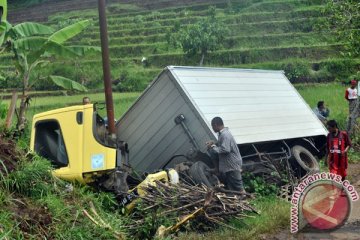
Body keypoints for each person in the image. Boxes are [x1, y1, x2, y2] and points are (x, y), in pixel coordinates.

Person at [206, 117, 245, 193]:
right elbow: (222, 144)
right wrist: (214, 143)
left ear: (216, 125)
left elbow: (226, 149)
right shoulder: (222, 134)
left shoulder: (225, 134)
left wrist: (213, 146)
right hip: (229, 163)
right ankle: (239, 197)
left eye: (213, 126)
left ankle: (244, 196)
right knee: (232, 184)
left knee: (237, 184)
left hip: (232, 163)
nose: (213, 128)